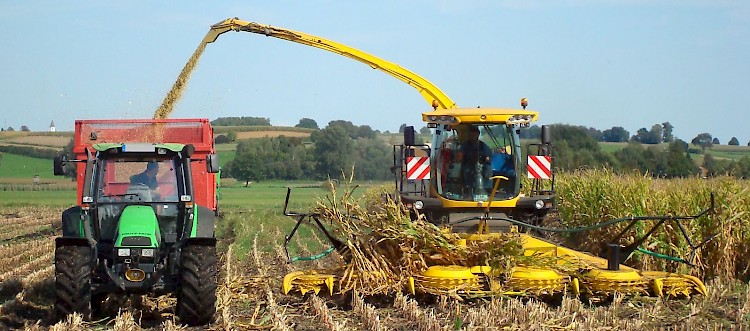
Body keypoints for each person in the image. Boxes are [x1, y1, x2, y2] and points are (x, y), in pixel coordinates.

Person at [457, 126, 492, 195]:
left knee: (488, 169)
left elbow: (488, 157)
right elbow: (459, 156)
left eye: (474, 134)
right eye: (471, 134)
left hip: (481, 164)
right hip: (469, 164)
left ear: (478, 134)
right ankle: (468, 188)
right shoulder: (465, 145)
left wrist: (485, 159)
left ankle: (487, 189)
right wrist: (460, 158)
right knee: (466, 170)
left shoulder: (483, 145)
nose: (472, 136)